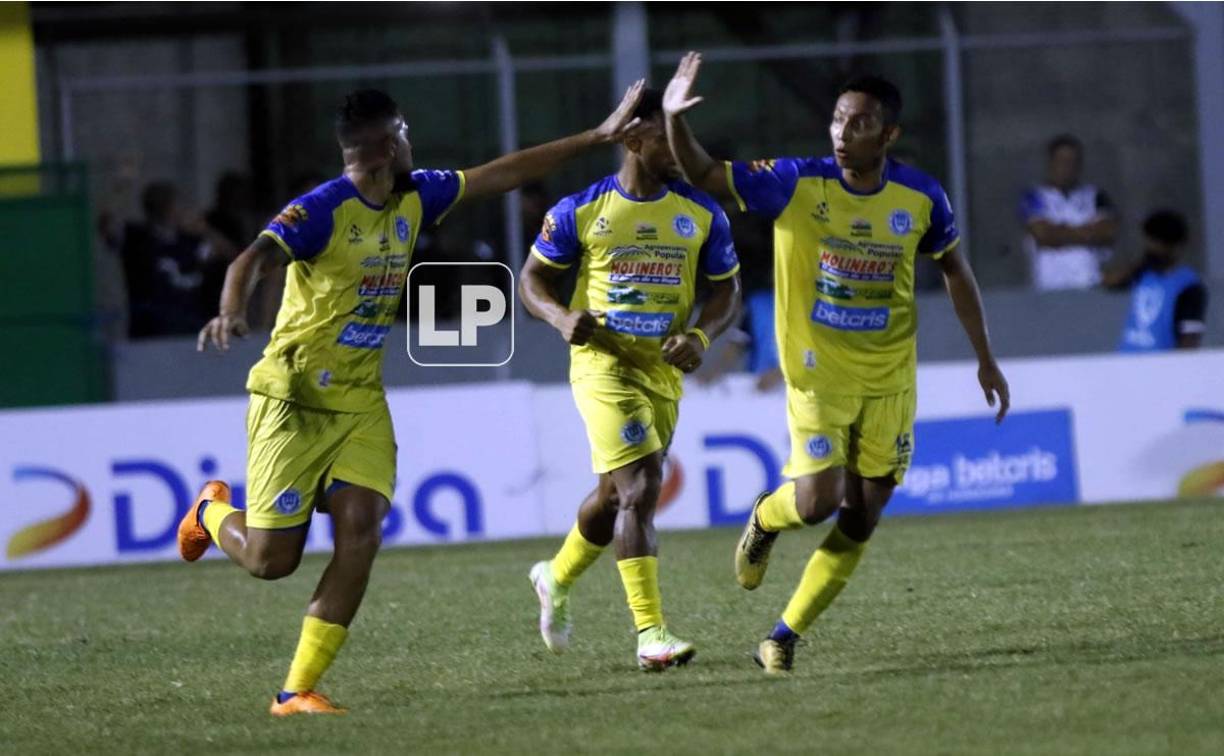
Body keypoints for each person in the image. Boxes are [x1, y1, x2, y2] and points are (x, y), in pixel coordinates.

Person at [184, 84, 647, 715]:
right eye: (403, 131)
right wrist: (230, 312)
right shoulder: (321, 209)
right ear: (381, 145)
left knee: (362, 530)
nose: (411, 141)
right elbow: (251, 259)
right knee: (271, 562)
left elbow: (503, 174)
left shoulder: (418, 194)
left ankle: (296, 690)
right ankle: (211, 512)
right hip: (290, 398)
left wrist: (596, 136)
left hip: (360, 400)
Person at [663, 53, 1010, 674]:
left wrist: (985, 357)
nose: (843, 135)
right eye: (837, 121)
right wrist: (673, 120)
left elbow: (954, 268)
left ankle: (783, 636)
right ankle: (767, 518)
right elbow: (709, 174)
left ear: (889, 134)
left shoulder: (921, 197)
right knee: (819, 501)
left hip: (891, 379)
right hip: (817, 369)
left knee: (863, 514)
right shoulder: (796, 182)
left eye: (859, 124)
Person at [520, 89, 742, 671]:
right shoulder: (580, 211)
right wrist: (561, 316)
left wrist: (699, 336)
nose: (682, 152)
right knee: (642, 486)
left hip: (662, 370)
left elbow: (727, 291)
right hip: (602, 365)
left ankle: (555, 575)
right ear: (632, 140)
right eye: (670, 139)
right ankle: (651, 635)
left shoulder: (701, 215)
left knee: (613, 496)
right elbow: (532, 280)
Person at [121, 181, 236, 338]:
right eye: (178, 206)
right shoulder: (140, 241)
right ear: (169, 209)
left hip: (191, 326)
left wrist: (204, 229)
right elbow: (110, 231)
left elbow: (232, 257)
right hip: (153, 330)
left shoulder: (192, 243)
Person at [1020, 134, 1117, 291]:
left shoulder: (1096, 196)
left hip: (1089, 285)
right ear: (1051, 163)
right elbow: (1043, 234)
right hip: (1049, 288)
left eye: (1073, 162)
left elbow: (1106, 233)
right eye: (1062, 161)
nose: (1067, 168)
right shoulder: (1034, 197)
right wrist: (1086, 232)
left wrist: (1059, 232)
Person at [1106, 210, 1208, 351]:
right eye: (1150, 241)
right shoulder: (1143, 273)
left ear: (1176, 247)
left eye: (1159, 243)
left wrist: (1178, 368)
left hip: (1159, 365)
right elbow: (1111, 283)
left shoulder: (1189, 286)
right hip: (1127, 361)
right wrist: (1141, 264)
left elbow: (1190, 337)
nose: (1152, 248)